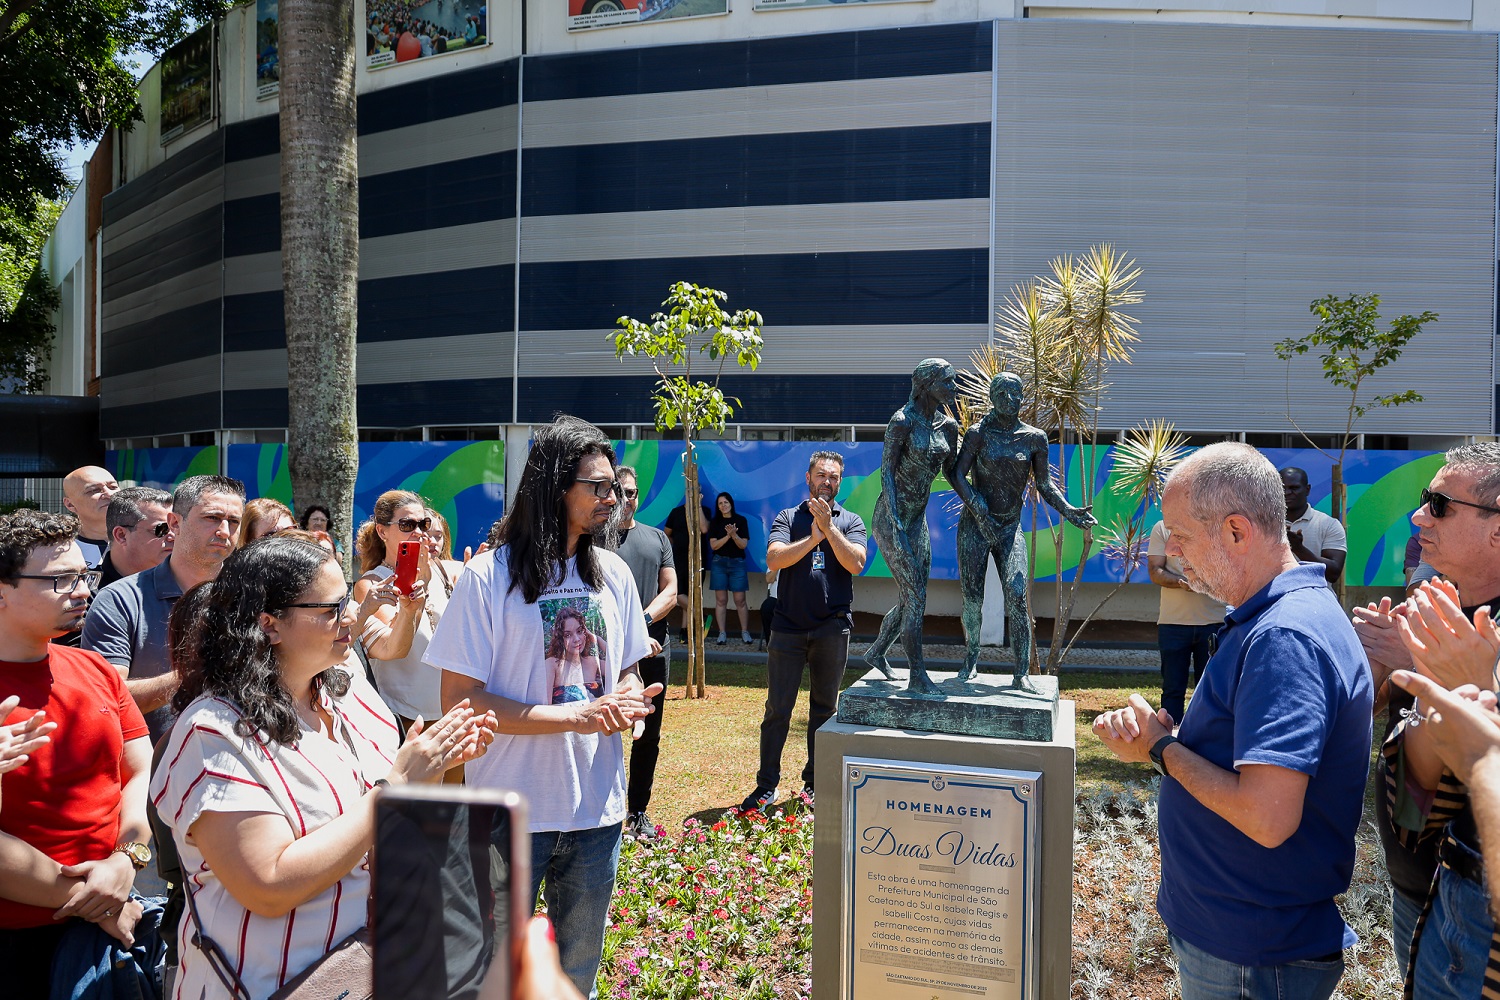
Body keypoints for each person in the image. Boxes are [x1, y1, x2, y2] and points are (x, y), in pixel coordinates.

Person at [149, 536, 494, 1000]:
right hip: (273, 984)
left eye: (347, 600)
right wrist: (396, 787)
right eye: (332, 609)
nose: (352, 616)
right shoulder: (212, 731)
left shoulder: (349, 694)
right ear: (269, 624)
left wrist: (432, 766)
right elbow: (268, 885)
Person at [1092, 443, 1372, 1000]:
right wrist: (1174, 738)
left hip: (1251, 954)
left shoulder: (1283, 637)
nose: (1171, 551)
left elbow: (1267, 817)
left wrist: (1160, 749)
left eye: (1180, 535)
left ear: (1237, 531)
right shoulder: (1279, 616)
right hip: (1242, 941)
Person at [430, 415, 661, 999]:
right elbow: (459, 701)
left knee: (575, 979)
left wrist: (629, 698)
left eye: (614, 486)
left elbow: (625, 668)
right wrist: (577, 716)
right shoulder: (488, 576)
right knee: (497, 978)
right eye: (598, 486)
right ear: (555, 487)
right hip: (508, 815)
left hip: (597, 813)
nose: (612, 497)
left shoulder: (614, 574)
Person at [1353, 443, 1500, 963]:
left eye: (1440, 505)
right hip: (1417, 890)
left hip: (1477, 913)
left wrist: (1419, 668)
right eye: (1424, 500)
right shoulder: (1434, 603)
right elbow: (1379, 719)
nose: (1419, 517)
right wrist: (1378, 673)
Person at [0, 509, 154, 996]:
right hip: (19, 939)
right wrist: (100, 901)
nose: (83, 590)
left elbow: (139, 769)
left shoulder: (96, 669)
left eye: (83, 575)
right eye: (60, 580)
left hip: (109, 917)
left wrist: (128, 859)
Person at [740, 450, 867, 813]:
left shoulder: (851, 521)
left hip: (832, 628)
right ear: (808, 478)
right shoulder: (788, 517)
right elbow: (774, 559)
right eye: (822, 475)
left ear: (839, 482)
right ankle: (766, 786)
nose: (828, 481)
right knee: (777, 710)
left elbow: (856, 564)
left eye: (834, 476)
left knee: (824, 710)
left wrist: (829, 530)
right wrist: (812, 539)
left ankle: (814, 784)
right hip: (788, 628)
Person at [953, 372, 1096, 689]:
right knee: (972, 599)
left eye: (1016, 394)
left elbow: (1044, 484)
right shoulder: (978, 433)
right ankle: (971, 657)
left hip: (1008, 527)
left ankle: (1021, 674)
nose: (1011, 400)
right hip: (976, 525)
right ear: (993, 398)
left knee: (1017, 595)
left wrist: (1069, 511)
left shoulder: (1034, 438)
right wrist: (976, 504)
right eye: (1004, 394)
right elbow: (958, 475)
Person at [83, 474, 246, 744]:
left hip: (241, 759)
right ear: (174, 523)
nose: (224, 531)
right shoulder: (120, 600)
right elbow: (105, 697)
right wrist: (196, 673)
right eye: (212, 518)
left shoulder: (254, 597)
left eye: (234, 522)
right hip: (151, 765)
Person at [863, 358, 961, 693]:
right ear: (926, 385)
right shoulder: (902, 421)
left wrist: (976, 500)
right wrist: (897, 526)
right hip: (892, 520)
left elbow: (953, 473)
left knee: (912, 598)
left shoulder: (948, 426)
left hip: (917, 521)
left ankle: (877, 652)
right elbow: (887, 474)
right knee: (916, 596)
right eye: (947, 382)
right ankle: (917, 676)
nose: (954, 388)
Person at [611, 465, 676, 840]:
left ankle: (637, 812)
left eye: (632, 492)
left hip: (654, 649)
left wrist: (641, 623)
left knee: (647, 734)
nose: (626, 499)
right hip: (604, 654)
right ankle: (599, 812)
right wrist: (629, 633)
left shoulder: (657, 538)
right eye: (619, 491)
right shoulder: (594, 542)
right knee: (600, 728)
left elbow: (671, 592)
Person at [353, 491, 448, 731]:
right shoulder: (373, 583)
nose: (418, 532)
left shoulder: (439, 571)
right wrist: (414, 603)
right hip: (405, 716)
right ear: (382, 531)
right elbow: (393, 648)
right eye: (407, 525)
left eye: (423, 524)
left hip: (448, 709)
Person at [1146, 520, 1226, 726]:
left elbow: (1230, 566)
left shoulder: (1218, 523)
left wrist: (1205, 582)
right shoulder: (1163, 527)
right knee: (1172, 689)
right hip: (1172, 622)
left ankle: (1206, 737)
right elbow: (1155, 570)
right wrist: (1183, 583)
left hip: (1214, 622)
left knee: (1210, 689)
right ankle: (1169, 739)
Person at [1280, 466, 1347, 584]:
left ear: (1307, 489)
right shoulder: (1263, 524)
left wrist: (1299, 549)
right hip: (1274, 595)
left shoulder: (1329, 524)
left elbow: (1333, 574)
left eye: (1294, 488)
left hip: (1315, 595)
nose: (1287, 493)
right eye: (1282, 488)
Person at [98, 487, 173, 589]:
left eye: (176, 527)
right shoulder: (87, 591)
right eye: (162, 529)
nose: (173, 536)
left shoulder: (187, 585)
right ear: (121, 535)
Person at [664, 499, 712, 643]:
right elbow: (667, 533)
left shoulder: (705, 510)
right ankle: (701, 617)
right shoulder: (676, 512)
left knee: (691, 595)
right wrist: (676, 546)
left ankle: (685, 631)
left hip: (698, 559)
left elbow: (704, 529)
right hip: (679, 559)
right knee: (678, 593)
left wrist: (698, 506)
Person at [708, 491, 752, 645]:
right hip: (719, 563)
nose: (723, 505)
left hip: (737, 563)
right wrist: (728, 536)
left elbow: (743, 545)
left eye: (726, 502)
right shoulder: (715, 522)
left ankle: (745, 631)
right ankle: (722, 633)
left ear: (731, 503)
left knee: (740, 600)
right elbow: (714, 545)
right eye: (720, 503)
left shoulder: (741, 520)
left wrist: (734, 535)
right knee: (721, 600)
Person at [62, 465, 120, 569]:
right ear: (70, 504)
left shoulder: (143, 539)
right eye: (94, 490)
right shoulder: (58, 552)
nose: (109, 494)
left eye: (113, 487)